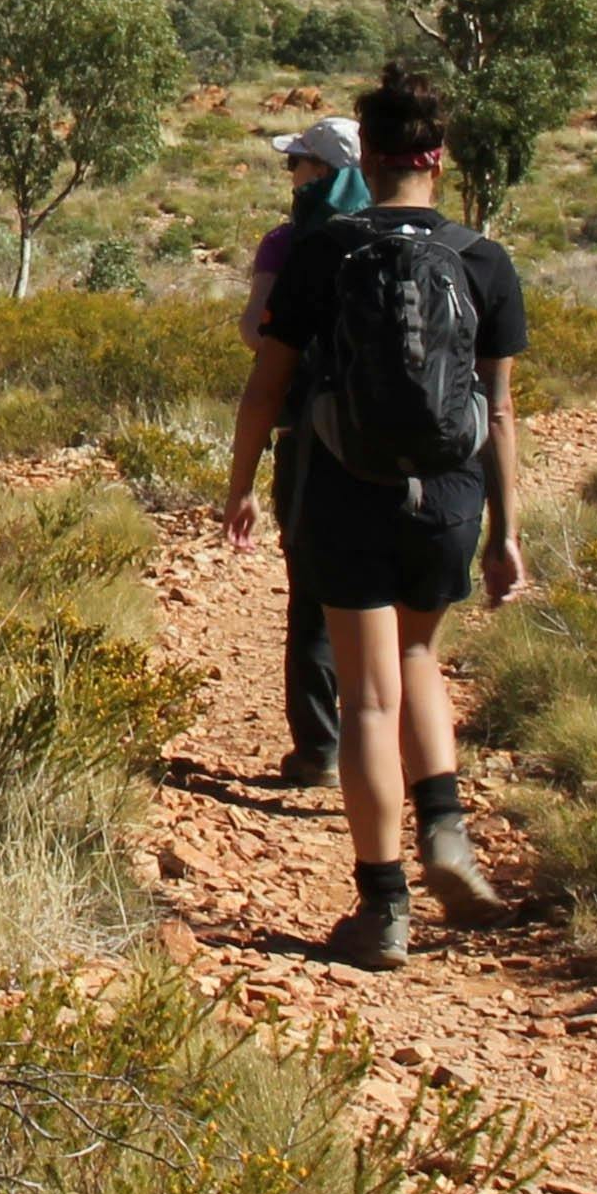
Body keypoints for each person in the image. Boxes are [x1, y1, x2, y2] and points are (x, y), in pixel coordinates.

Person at [218, 72, 525, 964]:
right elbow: (498, 412)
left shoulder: (324, 250)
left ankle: (382, 907)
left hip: (346, 489)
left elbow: (265, 385)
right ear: (437, 156)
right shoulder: (483, 259)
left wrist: (241, 483)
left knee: (366, 697)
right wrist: (506, 532)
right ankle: (448, 834)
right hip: (449, 496)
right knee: (420, 656)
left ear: (372, 155)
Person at [241, 116, 365, 789]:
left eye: (298, 164)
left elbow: (253, 332)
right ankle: (396, 752)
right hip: (403, 452)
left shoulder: (290, 244)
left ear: (322, 171)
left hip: (311, 443)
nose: (291, 176)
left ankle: (319, 748)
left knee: (313, 600)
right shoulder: (411, 237)